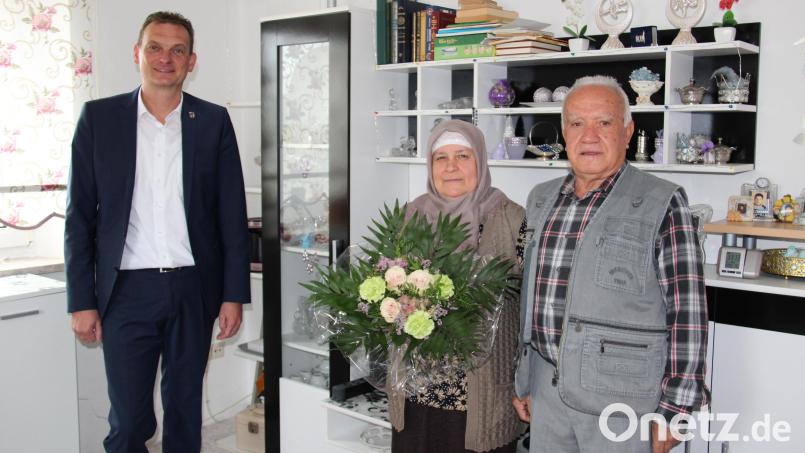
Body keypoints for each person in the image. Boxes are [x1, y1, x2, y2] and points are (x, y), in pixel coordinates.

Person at [65, 11, 250, 453]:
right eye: (155, 47)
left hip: (193, 288)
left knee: (185, 412)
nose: (165, 58)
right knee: (129, 421)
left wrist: (233, 294)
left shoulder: (212, 122)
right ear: (137, 53)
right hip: (126, 291)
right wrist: (81, 301)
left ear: (191, 61)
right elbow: (79, 219)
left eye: (177, 50)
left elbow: (231, 215)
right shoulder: (99, 119)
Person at [511, 76, 709, 453]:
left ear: (628, 130)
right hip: (547, 394)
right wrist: (525, 380)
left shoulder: (662, 202)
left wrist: (677, 409)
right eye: (577, 123)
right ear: (565, 131)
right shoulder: (541, 199)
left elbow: (688, 312)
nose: (589, 135)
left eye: (604, 123)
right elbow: (530, 299)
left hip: (623, 403)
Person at [390, 119, 526, 453]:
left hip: (481, 401)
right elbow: (387, 288)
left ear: (480, 161)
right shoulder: (410, 216)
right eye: (441, 158)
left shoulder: (512, 219)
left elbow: (534, 306)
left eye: (463, 156)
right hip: (414, 395)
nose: (451, 167)